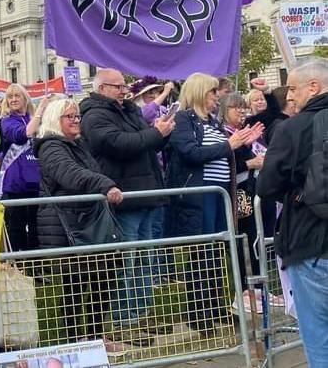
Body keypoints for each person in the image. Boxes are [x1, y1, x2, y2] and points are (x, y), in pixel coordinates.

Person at [79, 68, 174, 342]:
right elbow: (116, 143)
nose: (125, 90)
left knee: (146, 261)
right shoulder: (94, 115)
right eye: (118, 86)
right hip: (124, 196)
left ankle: (140, 314)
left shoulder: (130, 110)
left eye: (124, 86)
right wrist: (155, 134)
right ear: (102, 88)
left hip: (145, 193)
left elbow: (144, 140)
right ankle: (122, 320)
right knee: (126, 263)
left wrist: (162, 132)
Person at [164, 73, 261, 335]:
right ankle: (199, 313)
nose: (216, 96)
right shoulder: (184, 119)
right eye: (212, 92)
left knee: (216, 250)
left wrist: (241, 144)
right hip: (199, 195)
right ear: (198, 92)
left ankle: (215, 305)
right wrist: (229, 144)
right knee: (201, 252)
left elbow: (225, 152)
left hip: (220, 194)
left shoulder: (213, 123)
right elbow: (190, 153)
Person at [31, 98, 124, 351]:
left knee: (102, 279)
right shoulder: (51, 147)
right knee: (74, 286)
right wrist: (105, 184)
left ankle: (96, 336)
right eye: (69, 116)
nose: (75, 120)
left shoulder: (77, 144)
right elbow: (70, 175)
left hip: (86, 223)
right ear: (54, 120)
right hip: (65, 227)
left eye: (77, 116)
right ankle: (74, 341)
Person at [257, 59, 328, 366]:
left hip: (311, 241)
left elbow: (267, 186)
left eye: (293, 89)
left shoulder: (293, 128)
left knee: (318, 332)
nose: (290, 97)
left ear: (314, 86)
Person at [216, 93, 279, 314]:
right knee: (244, 240)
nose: (242, 112)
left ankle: (259, 288)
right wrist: (250, 162)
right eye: (236, 108)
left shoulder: (244, 132)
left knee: (256, 239)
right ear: (224, 109)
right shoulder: (223, 134)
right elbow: (226, 165)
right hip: (239, 194)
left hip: (256, 191)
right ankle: (243, 290)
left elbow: (271, 115)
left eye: (243, 108)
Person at [0, 84, 48, 250]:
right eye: (10, 97)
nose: (13, 100)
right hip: (15, 185)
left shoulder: (34, 118)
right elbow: (23, 135)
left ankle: (36, 269)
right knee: (16, 229)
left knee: (36, 229)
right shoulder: (6, 121)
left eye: (17, 96)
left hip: (36, 183)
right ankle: (18, 266)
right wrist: (40, 112)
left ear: (25, 98)